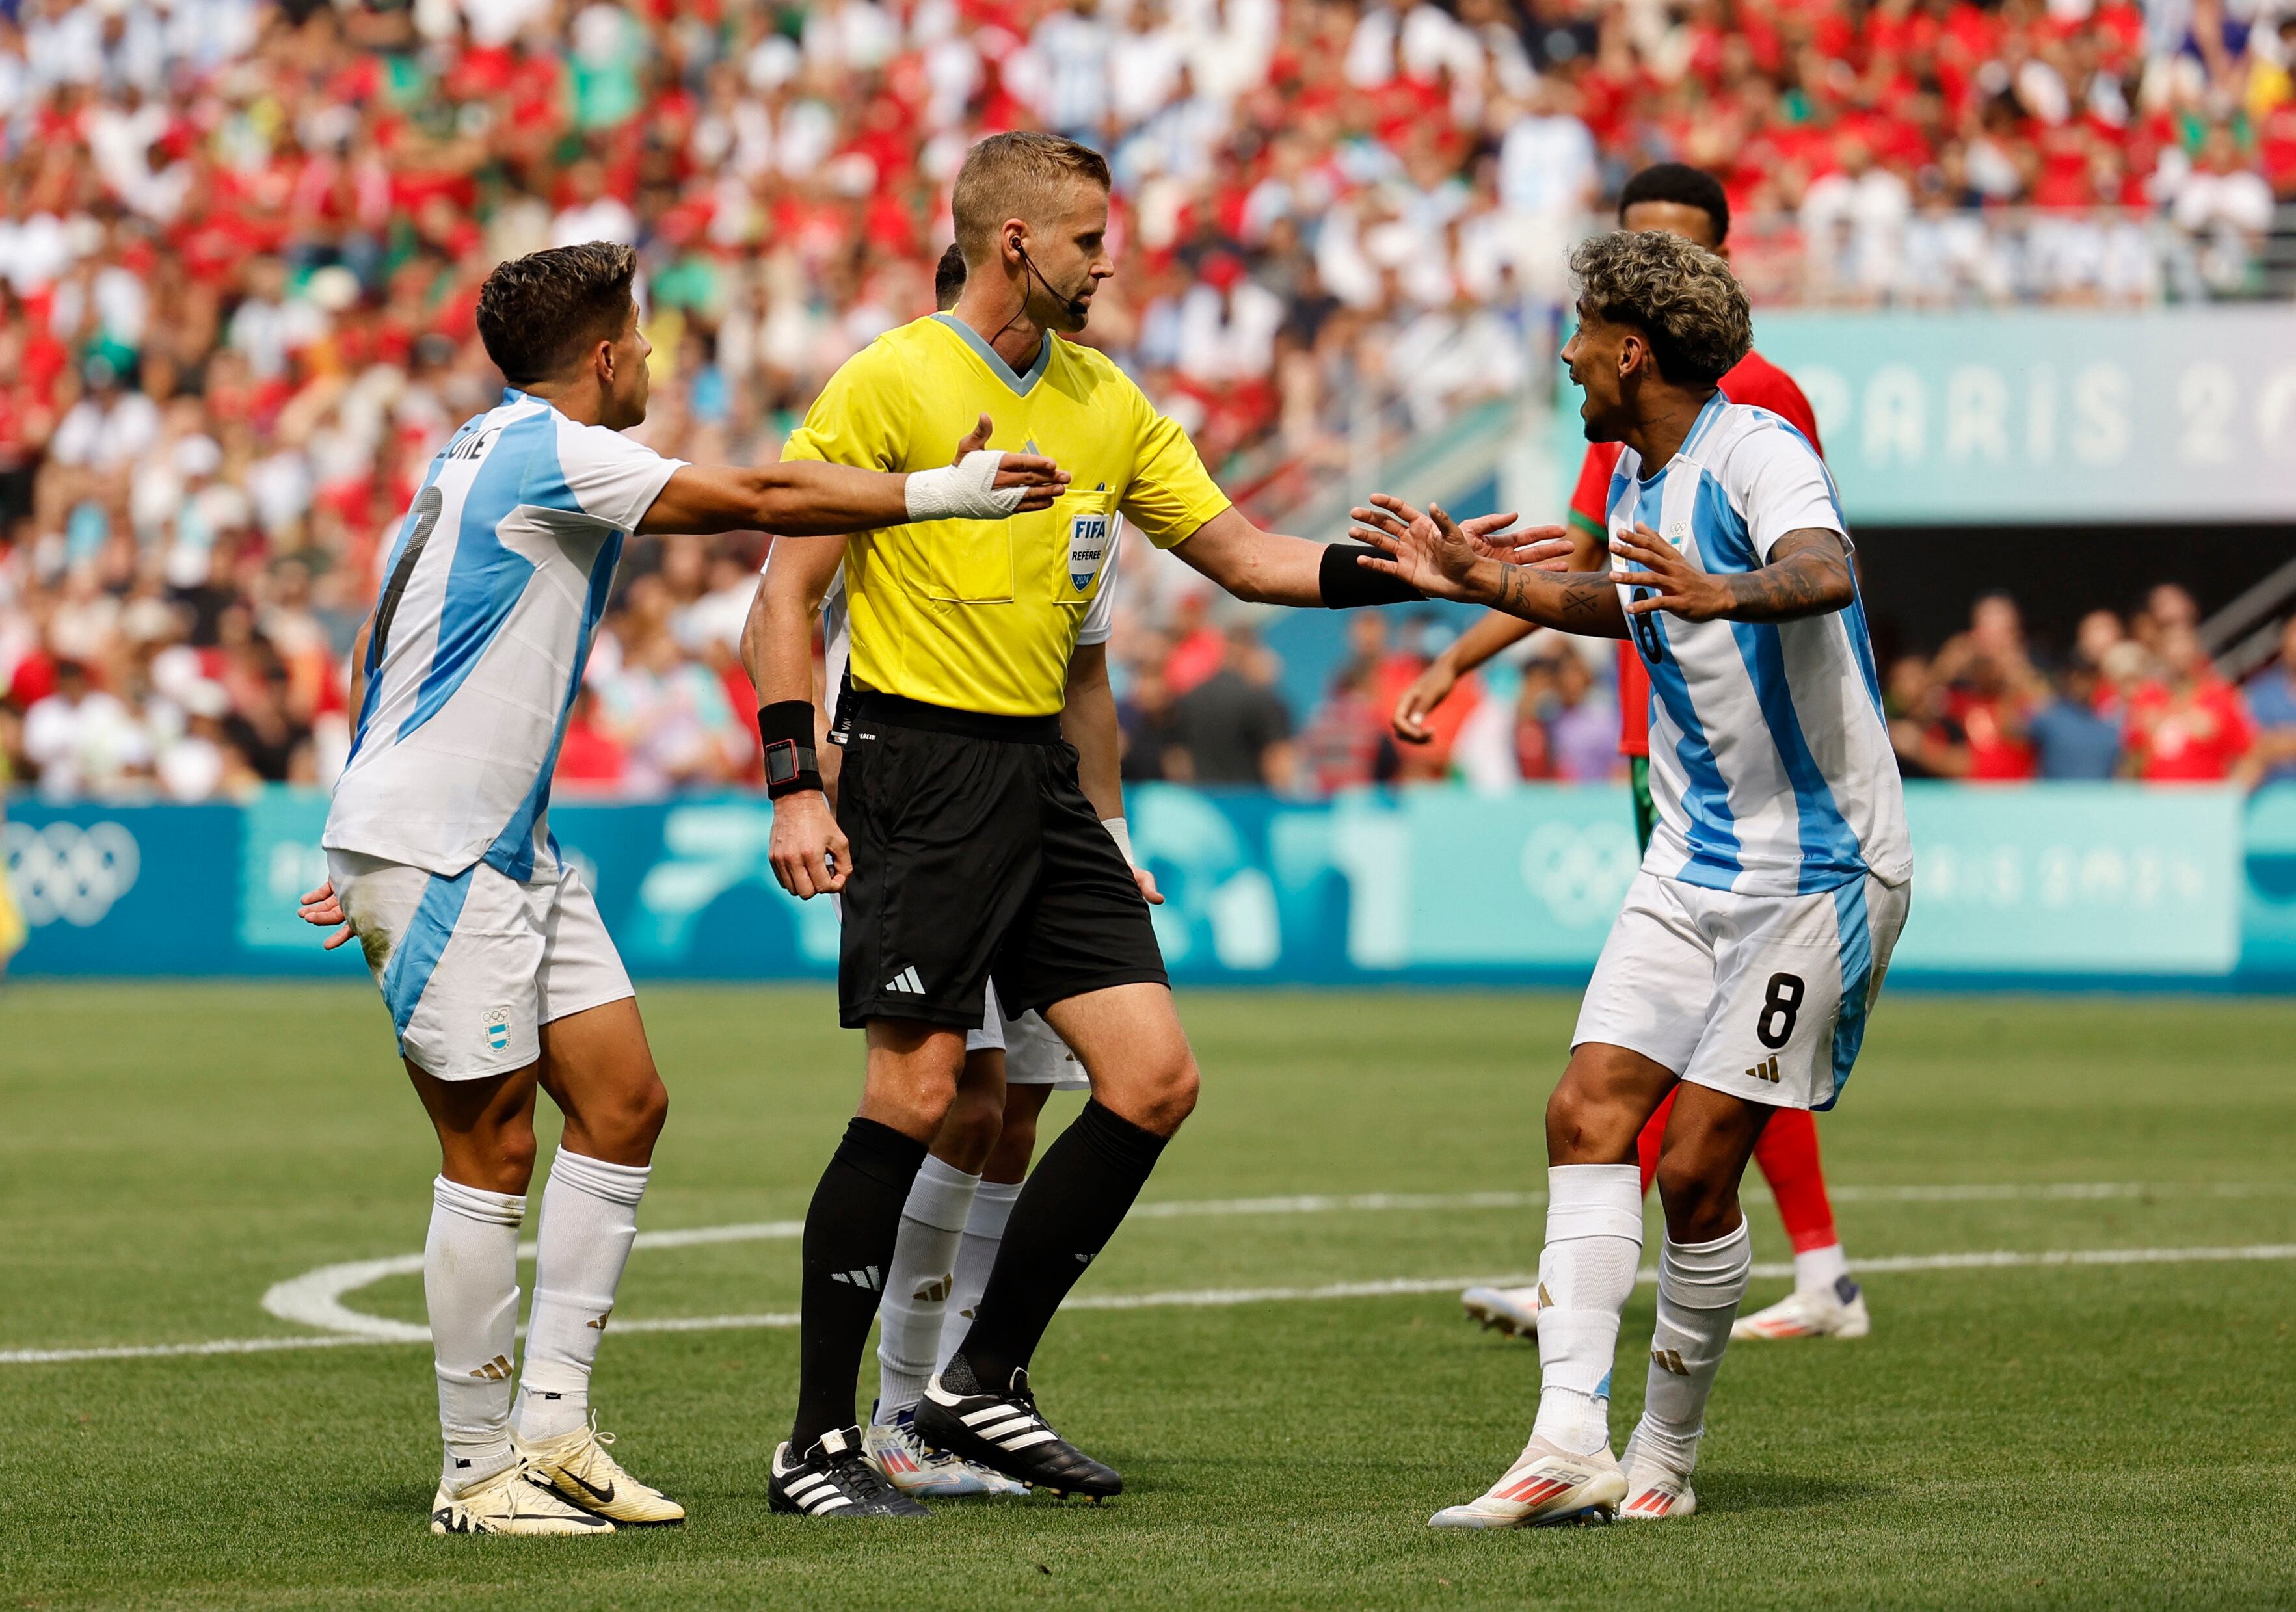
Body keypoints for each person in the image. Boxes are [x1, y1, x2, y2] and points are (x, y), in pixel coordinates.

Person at [291, 241, 1065, 1537]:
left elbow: (385, 628)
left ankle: (551, 1426)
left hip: (495, 842)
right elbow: (753, 490)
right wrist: (945, 492)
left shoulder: (474, 448)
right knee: (487, 1146)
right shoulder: (553, 445)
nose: (653, 358)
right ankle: (477, 1469)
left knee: (625, 1100)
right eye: (643, 339)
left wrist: (362, 809)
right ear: (603, 357)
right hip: (440, 843)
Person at [742, 131, 1463, 1517]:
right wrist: (792, 777)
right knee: (914, 1091)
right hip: (920, 764)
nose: (1108, 261)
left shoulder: (1104, 400)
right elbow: (782, 597)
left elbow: (1245, 556)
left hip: (1043, 783)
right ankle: (816, 1442)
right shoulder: (892, 379)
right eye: (1087, 239)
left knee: (1153, 1078)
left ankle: (977, 1383)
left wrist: (1417, 575)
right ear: (1014, 240)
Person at [1353, 227, 1910, 1526]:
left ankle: (1662, 1452)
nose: (1561, 355)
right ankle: (1563, 1445)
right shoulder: (1629, 473)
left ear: (1629, 350)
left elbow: (1828, 569)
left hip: (1819, 870)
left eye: (1578, 333)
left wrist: (1727, 588)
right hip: (1691, 853)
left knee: (1697, 1175)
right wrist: (1477, 580)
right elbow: (1622, 602)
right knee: (1584, 1111)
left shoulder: (1752, 447)